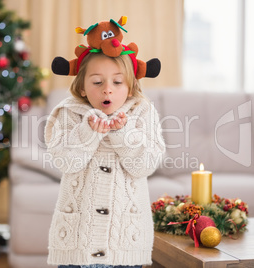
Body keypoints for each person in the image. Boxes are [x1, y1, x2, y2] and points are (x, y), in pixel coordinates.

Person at [44, 46, 165, 268]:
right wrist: (87, 133)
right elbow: (64, 161)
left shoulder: (143, 112)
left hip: (123, 241)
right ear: (82, 87)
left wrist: (123, 134)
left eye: (117, 82)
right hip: (79, 240)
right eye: (98, 82)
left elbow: (145, 165)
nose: (107, 90)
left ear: (130, 87)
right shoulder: (68, 113)